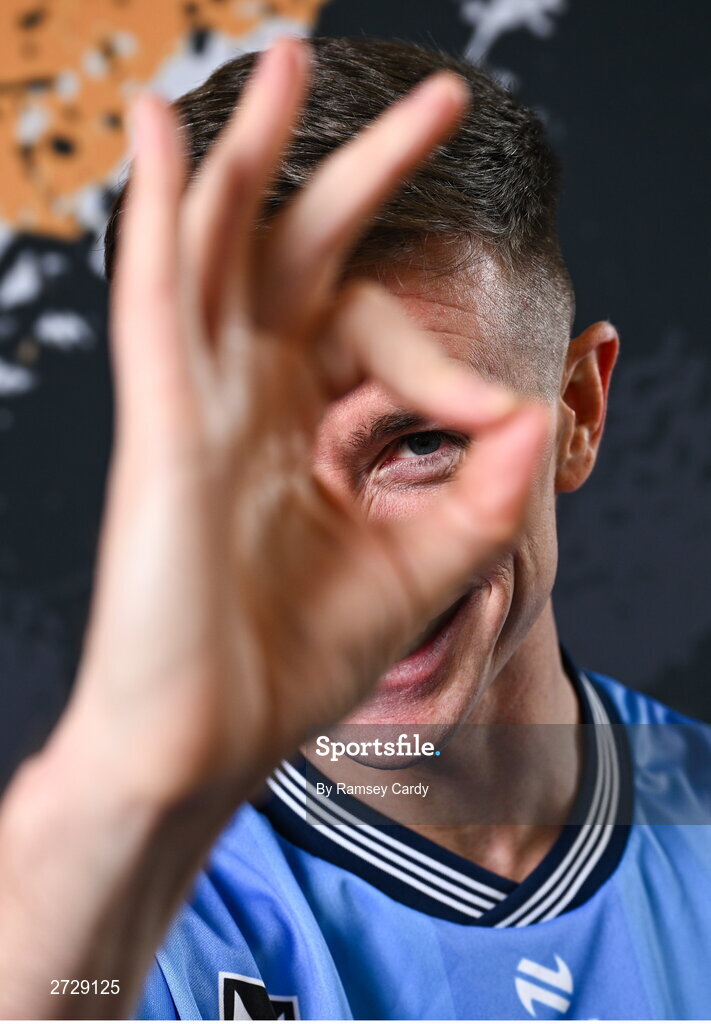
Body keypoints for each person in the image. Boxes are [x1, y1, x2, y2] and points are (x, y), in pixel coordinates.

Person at [0, 34, 708, 1021]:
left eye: (418, 441)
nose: (337, 566)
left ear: (577, 415)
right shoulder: (116, 916)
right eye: (258, 465)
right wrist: (115, 785)